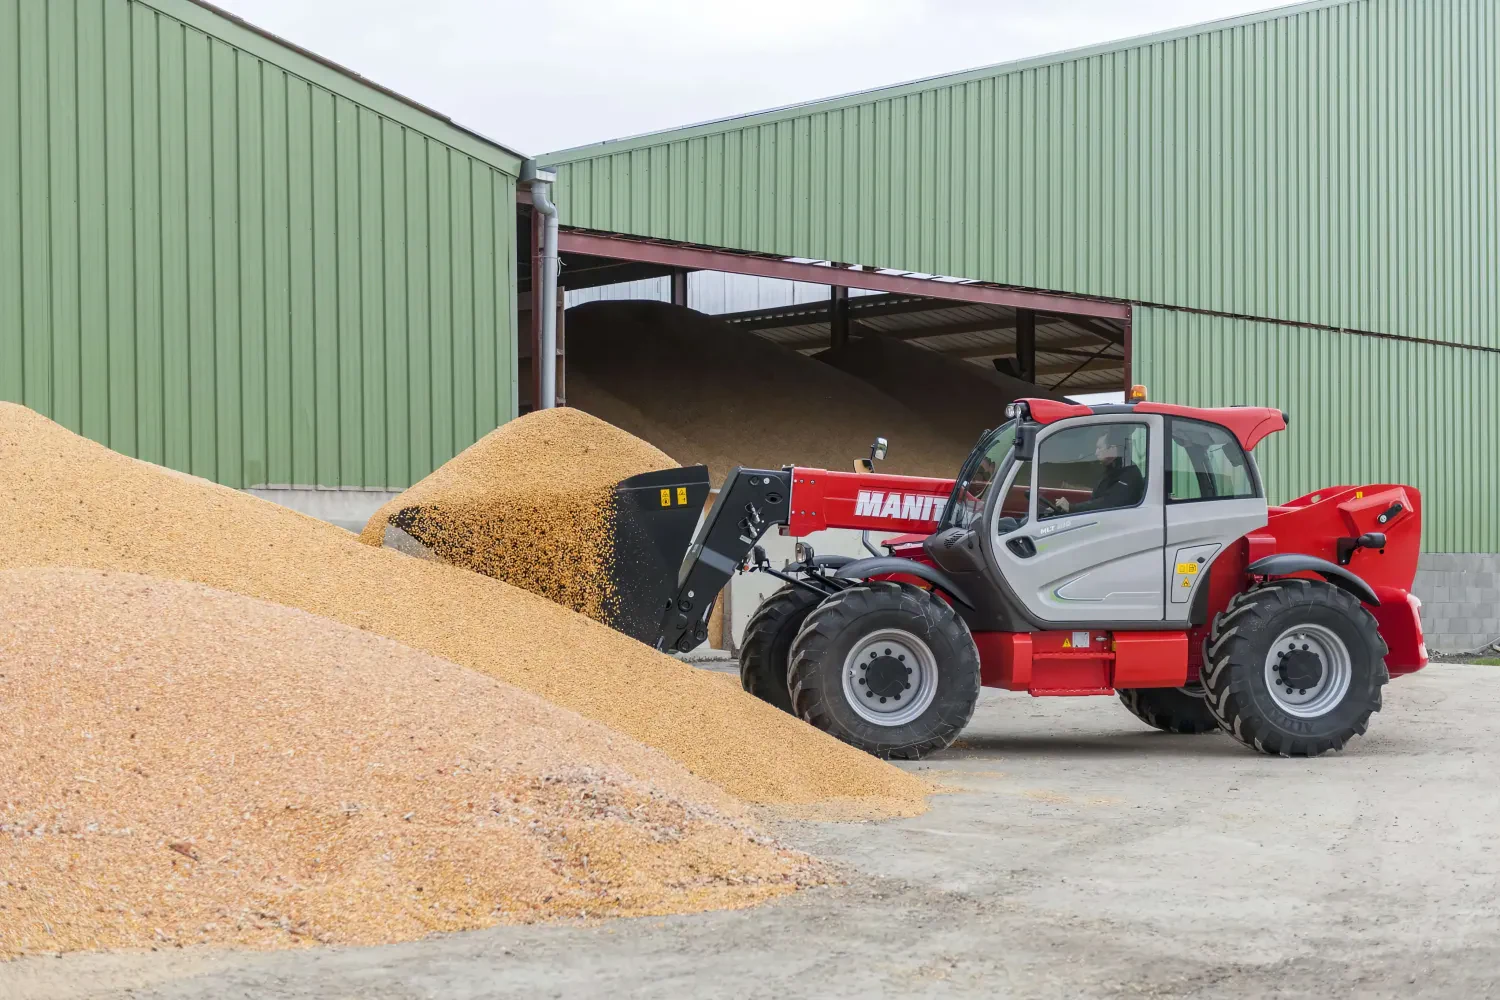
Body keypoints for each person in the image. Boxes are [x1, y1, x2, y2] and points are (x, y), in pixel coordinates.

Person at [1050, 427, 1143, 515]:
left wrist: (1072, 507)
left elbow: (1107, 503)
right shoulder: (1111, 470)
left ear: (1112, 450)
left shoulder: (1129, 474)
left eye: (1099, 448)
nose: (1096, 452)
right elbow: (1096, 497)